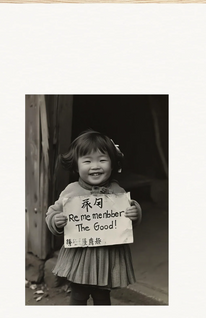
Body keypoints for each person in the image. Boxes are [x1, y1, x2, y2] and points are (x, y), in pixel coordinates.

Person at [45, 129, 142, 305]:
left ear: (112, 164)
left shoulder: (117, 192)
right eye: (87, 161)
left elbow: (126, 219)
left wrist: (134, 213)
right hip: (80, 257)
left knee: (102, 297)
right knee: (78, 296)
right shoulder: (71, 191)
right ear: (76, 165)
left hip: (107, 258)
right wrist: (56, 220)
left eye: (102, 160)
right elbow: (52, 212)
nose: (95, 166)